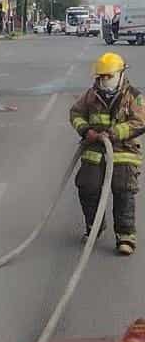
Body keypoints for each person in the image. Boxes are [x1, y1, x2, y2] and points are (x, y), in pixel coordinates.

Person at [70, 52, 145, 255]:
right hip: (94, 150)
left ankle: (126, 235)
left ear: (121, 75)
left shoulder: (134, 97)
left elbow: (140, 122)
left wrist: (113, 134)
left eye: (108, 77)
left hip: (123, 151)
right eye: (101, 77)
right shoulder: (91, 95)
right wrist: (86, 130)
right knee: (87, 187)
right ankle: (94, 226)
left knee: (124, 190)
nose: (104, 81)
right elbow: (75, 113)